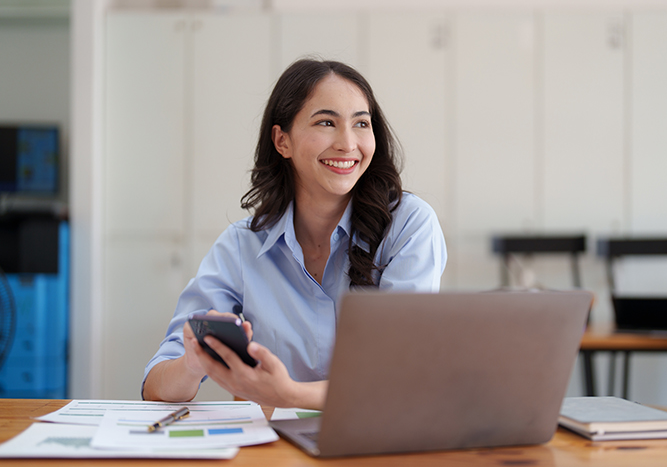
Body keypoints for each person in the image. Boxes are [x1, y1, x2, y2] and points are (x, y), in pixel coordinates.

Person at [142, 59, 447, 409]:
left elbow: (397, 379)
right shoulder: (242, 245)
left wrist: (287, 395)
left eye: (361, 123)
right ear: (282, 141)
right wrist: (193, 363)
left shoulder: (410, 225)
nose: (348, 144)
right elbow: (157, 386)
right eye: (327, 122)